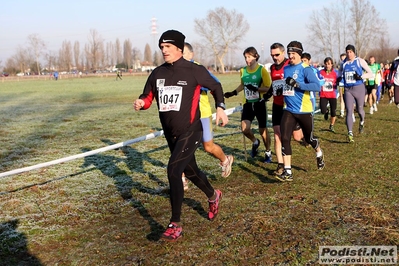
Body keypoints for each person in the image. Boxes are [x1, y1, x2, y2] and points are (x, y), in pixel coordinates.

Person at [133, 30, 228, 241]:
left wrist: (220, 107)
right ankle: (214, 195)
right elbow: (148, 96)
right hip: (171, 134)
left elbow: (216, 86)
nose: (163, 50)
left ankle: (175, 224)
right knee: (191, 171)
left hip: (191, 130)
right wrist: (142, 103)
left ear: (178, 48)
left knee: (174, 170)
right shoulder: (157, 73)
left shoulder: (194, 70)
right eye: (161, 47)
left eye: (167, 46)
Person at [182, 42, 234, 180]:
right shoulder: (176, 71)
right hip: (184, 117)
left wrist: (219, 107)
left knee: (208, 146)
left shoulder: (198, 70)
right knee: (181, 147)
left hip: (202, 114)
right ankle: (181, 178)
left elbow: (215, 86)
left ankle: (225, 160)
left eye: (183, 52)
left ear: (191, 54)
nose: (180, 56)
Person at [275, 41, 325, 182]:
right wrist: (281, 89)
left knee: (308, 139)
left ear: (299, 54)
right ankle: (288, 171)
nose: (290, 56)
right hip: (288, 109)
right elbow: (287, 86)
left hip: (304, 111)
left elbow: (316, 86)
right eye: (289, 53)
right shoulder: (286, 68)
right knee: (285, 138)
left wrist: (298, 84)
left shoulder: (306, 68)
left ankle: (319, 153)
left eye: (293, 53)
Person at [224, 47, 272, 163]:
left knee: (263, 130)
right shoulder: (243, 71)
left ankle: (268, 151)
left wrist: (256, 89)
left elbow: (268, 88)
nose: (247, 59)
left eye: (249, 57)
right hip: (248, 104)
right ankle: (255, 142)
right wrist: (234, 92)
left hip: (259, 103)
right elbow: (243, 84)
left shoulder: (262, 70)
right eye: (245, 57)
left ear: (255, 56)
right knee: (245, 129)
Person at [263, 43, 304, 175]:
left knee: (297, 137)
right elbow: (273, 85)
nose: (274, 57)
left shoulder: (290, 65)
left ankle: (308, 137)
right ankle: (281, 165)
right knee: (277, 134)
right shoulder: (273, 68)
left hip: (290, 105)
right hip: (277, 105)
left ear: (283, 53)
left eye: (277, 55)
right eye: (272, 55)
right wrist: (268, 95)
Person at [339, 44, 373, 143]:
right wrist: (339, 78)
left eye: (351, 52)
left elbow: (370, 73)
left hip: (359, 88)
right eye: (347, 52)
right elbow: (340, 73)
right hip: (348, 89)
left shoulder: (359, 61)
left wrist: (361, 76)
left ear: (354, 52)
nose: (349, 54)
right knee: (349, 110)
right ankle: (350, 133)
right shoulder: (343, 63)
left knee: (359, 109)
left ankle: (362, 121)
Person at [319, 57, 338, 132]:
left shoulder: (335, 73)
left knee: (333, 111)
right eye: (326, 64)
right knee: (322, 110)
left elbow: (340, 80)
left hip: (332, 95)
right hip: (323, 94)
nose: (327, 66)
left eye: (329, 64)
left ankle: (332, 125)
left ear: (332, 64)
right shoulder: (321, 72)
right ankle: (326, 111)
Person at [338, 53, 347, 118]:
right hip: (342, 83)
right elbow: (339, 73)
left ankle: (350, 112)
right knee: (341, 97)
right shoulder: (341, 64)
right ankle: (342, 112)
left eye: (343, 58)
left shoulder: (349, 63)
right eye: (341, 59)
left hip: (348, 83)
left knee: (348, 98)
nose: (342, 60)